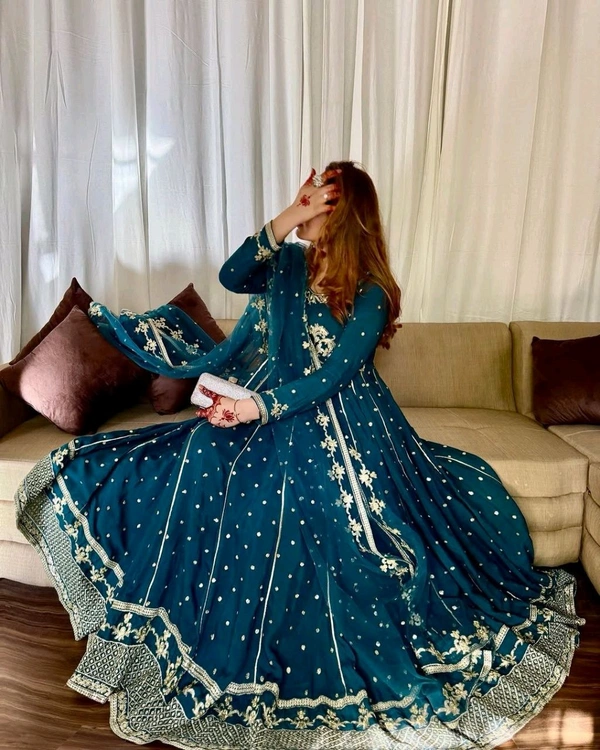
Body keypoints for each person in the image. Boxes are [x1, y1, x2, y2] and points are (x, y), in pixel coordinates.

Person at [16, 161, 582, 750]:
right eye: (307, 194)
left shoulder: (370, 292)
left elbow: (333, 376)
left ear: (346, 213)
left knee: (336, 522)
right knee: (199, 450)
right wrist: (290, 216)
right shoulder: (287, 264)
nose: (308, 201)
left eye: (320, 197)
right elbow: (232, 274)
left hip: (345, 419)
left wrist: (254, 408)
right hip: (270, 404)